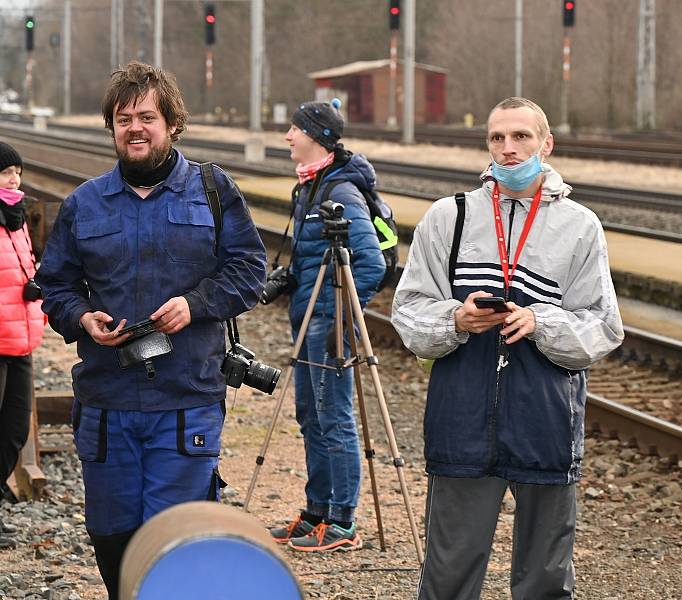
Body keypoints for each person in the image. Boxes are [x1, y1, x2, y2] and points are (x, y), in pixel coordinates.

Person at [35, 61, 266, 598]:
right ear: (111, 128)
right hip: (107, 401)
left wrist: (195, 303)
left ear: (171, 123)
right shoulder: (84, 203)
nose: (134, 128)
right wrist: (81, 318)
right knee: (112, 537)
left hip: (185, 399)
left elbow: (248, 272)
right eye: (122, 119)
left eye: (146, 116)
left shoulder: (212, 191)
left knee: (175, 542)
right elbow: (55, 286)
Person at [391, 96, 624, 599]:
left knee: (544, 577)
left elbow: (603, 327)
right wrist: (456, 318)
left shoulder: (580, 226)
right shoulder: (447, 218)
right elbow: (407, 312)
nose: (509, 149)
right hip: (461, 421)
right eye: (497, 137)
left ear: (546, 143)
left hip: (546, 421)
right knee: (448, 573)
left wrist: (541, 322)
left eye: (521, 137)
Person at [266, 98, 385, 552]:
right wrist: (286, 281)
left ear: (315, 136)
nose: (287, 136)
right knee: (310, 415)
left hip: (326, 325)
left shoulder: (341, 192)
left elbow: (370, 265)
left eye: (294, 129)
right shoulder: (312, 188)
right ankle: (316, 512)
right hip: (308, 320)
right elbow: (314, 256)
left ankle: (343, 521)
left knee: (333, 417)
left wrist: (335, 316)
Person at [0, 142, 47, 550]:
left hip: (20, 338)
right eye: (5, 172)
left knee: (13, 431)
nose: (13, 179)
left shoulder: (15, 217)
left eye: (16, 171)